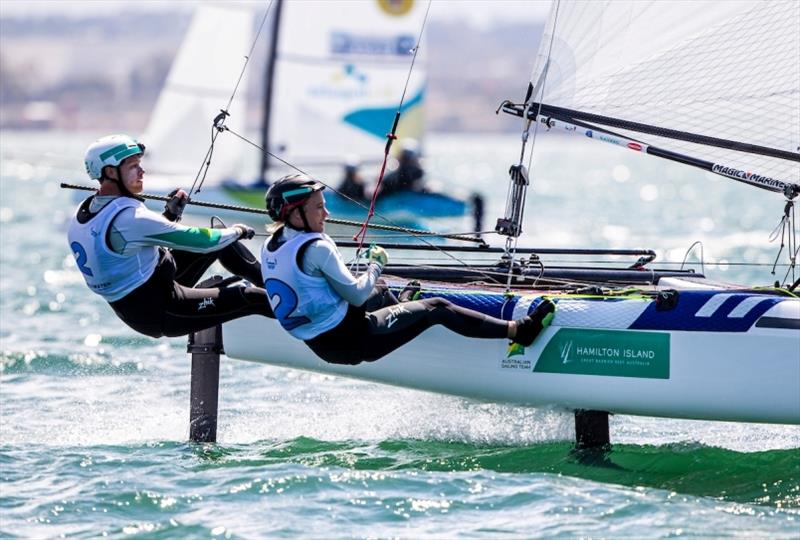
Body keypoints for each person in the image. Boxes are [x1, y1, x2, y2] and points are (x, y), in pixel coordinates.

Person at [260, 174, 555, 365]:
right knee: (437, 307)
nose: (327, 213)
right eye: (318, 207)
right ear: (293, 213)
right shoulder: (317, 248)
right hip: (354, 341)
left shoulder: (271, 244)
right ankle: (519, 330)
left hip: (320, 342)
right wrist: (377, 263)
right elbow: (358, 296)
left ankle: (403, 311)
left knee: (383, 290)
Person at [68, 134, 273, 338]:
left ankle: (278, 289)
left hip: (151, 288)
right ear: (111, 172)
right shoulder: (130, 218)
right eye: (132, 166)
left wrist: (170, 215)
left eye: (139, 164)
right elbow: (204, 241)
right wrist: (239, 231)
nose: (142, 171)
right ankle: (298, 316)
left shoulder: (85, 210)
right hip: (162, 310)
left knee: (223, 239)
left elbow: (133, 243)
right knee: (249, 297)